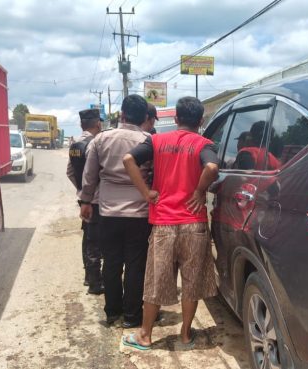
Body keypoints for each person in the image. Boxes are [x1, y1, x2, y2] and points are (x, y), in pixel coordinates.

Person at [121, 96, 219, 350]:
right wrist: (199, 192)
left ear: (175, 119)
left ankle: (145, 336)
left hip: (164, 223)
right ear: (201, 121)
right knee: (191, 282)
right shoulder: (204, 143)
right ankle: (186, 336)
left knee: (155, 282)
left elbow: (128, 160)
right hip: (194, 224)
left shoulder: (156, 140)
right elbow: (211, 167)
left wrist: (145, 193)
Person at [79, 94, 152, 328]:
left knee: (110, 262)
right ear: (144, 118)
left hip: (108, 211)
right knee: (135, 264)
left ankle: (112, 312)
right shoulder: (149, 140)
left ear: (121, 114)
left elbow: (89, 176)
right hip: (140, 212)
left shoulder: (101, 139)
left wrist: (85, 202)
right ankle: (132, 316)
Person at [66, 108, 104, 294]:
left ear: (82, 124)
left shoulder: (75, 144)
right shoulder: (94, 144)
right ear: (98, 123)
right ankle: (96, 282)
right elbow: (93, 173)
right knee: (95, 241)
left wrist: (81, 191)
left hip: (84, 198)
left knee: (88, 237)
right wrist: (90, 193)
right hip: (95, 200)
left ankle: (89, 277)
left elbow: (70, 173)